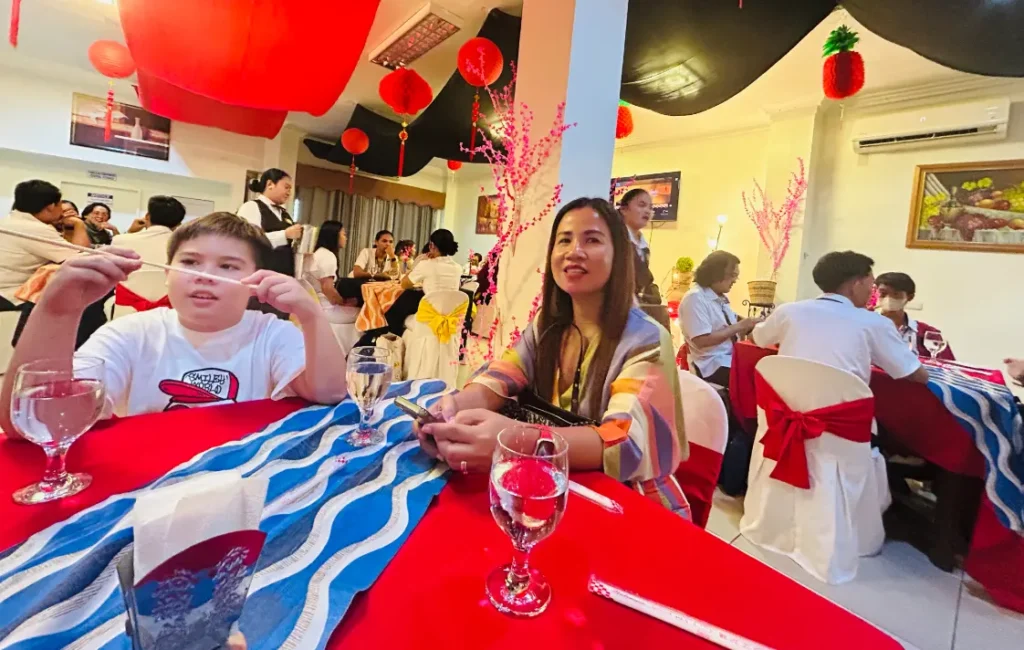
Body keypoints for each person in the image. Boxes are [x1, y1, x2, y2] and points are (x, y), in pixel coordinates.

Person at [415, 197, 690, 518]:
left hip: (626, 502)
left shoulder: (647, 338)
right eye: (564, 240)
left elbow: (624, 443)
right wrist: (455, 408)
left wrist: (516, 440)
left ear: (619, 256)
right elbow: (502, 377)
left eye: (592, 239)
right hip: (546, 486)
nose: (574, 250)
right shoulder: (547, 325)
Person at [0, 212, 348, 436]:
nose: (204, 277)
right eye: (190, 262)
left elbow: (329, 393)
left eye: (228, 266)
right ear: (168, 272)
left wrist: (311, 315)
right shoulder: (132, 333)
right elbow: (34, 423)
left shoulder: (270, 333)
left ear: (257, 281)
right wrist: (58, 312)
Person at [752, 251, 929, 385]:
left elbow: (757, 338)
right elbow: (916, 375)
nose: (872, 292)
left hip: (781, 418)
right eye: (871, 285)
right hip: (843, 424)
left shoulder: (789, 311)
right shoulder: (875, 323)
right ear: (856, 284)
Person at [0, 180, 89, 307]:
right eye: (60, 205)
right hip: (9, 294)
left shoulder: (8, 221)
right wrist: (79, 224)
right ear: (51, 207)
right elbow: (80, 259)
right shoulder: (35, 228)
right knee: (82, 298)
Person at [679, 251, 759, 385]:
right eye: (732, 275)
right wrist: (739, 327)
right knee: (756, 379)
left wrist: (755, 323)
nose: (734, 281)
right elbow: (701, 340)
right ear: (716, 273)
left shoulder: (718, 297)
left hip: (729, 359)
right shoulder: (695, 298)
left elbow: (732, 319)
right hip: (711, 365)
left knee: (766, 370)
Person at [617, 188, 671, 331]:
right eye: (641, 205)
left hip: (637, 306)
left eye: (650, 207)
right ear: (624, 209)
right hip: (619, 308)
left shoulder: (642, 243)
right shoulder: (616, 240)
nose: (647, 211)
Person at [302, 220, 358, 353]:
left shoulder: (317, 253)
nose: (346, 238)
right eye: (343, 234)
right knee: (366, 314)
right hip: (326, 309)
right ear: (334, 236)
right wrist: (343, 302)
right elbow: (327, 289)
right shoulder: (328, 256)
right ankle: (351, 354)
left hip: (315, 306)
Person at [236, 168, 303, 277]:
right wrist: (285, 235)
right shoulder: (252, 206)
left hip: (284, 275)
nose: (289, 193)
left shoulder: (284, 213)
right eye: (286, 187)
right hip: (261, 274)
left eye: (291, 189)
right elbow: (249, 240)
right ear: (270, 184)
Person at [874, 272, 955, 361]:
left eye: (896, 294)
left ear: (910, 297)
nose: (888, 298)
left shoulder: (928, 333)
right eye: (883, 293)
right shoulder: (866, 326)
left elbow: (947, 367)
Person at [111, 196, 187, 266]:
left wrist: (130, 232)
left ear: (147, 216)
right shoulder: (185, 246)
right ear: (178, 224)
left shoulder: (119, 240)